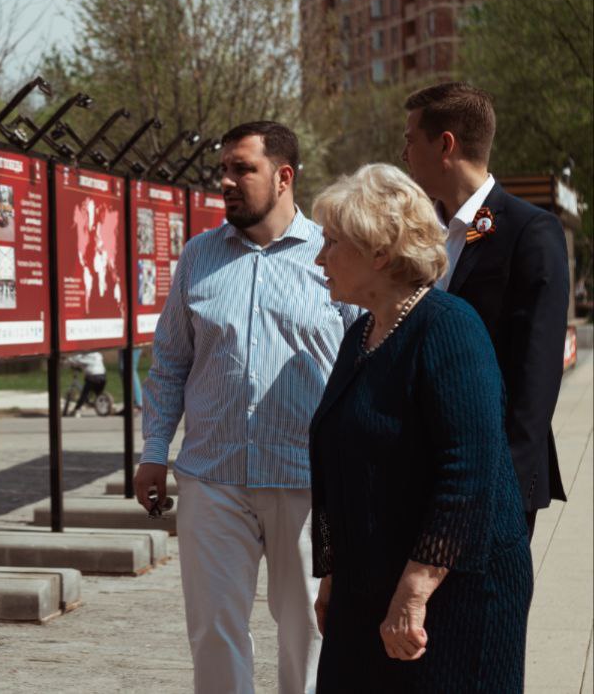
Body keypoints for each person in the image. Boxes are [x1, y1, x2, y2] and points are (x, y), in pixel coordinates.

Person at [134, 121, 359, 694]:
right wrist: (154, 451)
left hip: (307, 480)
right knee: (214, 632)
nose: (227, 182)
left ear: (283, 177)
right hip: (213, 478)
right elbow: (169, 362)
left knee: (309, 631)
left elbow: (367, 361)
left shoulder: (334, 254)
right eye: (224, 170)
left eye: (243, 169)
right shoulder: (198, 257)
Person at [309, 163, 532, 691]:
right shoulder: (361, 334)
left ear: (379, 252)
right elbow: (340, 462)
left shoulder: (450, 327)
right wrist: (333, 574)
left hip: (451, 594)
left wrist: (414, 591)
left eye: (332, 242)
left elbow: (468, 474)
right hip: (368, 582)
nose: (319, 258)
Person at [401, 82, 570, 537]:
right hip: (420, 466)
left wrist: (503, 489)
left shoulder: (529, 231)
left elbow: (536, 374)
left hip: (492, 475)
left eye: (410, 140)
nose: (403, 154)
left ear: (446, 145)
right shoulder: (416, 232)